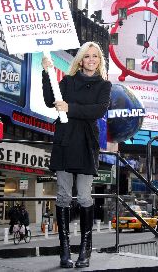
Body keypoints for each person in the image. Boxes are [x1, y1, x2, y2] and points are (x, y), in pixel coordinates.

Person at [42, 41, 112, 268]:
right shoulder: (68, 81)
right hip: (64, 141)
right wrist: (47, 73)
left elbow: (98, 110)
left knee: (83, 196)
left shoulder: (105, 85)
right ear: (80, 60)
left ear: (99, 61)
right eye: (87, 56)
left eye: (95, 56)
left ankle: (85, 249)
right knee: (62, 196)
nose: (91, 59)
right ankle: (64, 251)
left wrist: (70, 108)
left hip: (86, 144)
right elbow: (49, 100)